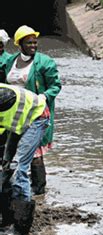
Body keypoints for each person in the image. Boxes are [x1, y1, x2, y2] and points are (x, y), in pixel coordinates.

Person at [2, 25, 61, 196]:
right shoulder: (10, 61)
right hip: (14, 113)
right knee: (12, 150)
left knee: (34, 149)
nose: (33, 46)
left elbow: (56, 85)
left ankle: (39, 186)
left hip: (36, 112)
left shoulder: (44, 62)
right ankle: (11, 185)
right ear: (19, 44)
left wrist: (44, 96)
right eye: (29, 43)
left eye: (35, 42)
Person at [0, 83, 49, 235]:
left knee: (18, 170)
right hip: (19, 120)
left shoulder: (2, 95)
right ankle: (7, 222)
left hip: (37, 117)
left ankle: (21, 229)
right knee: (5, 167)